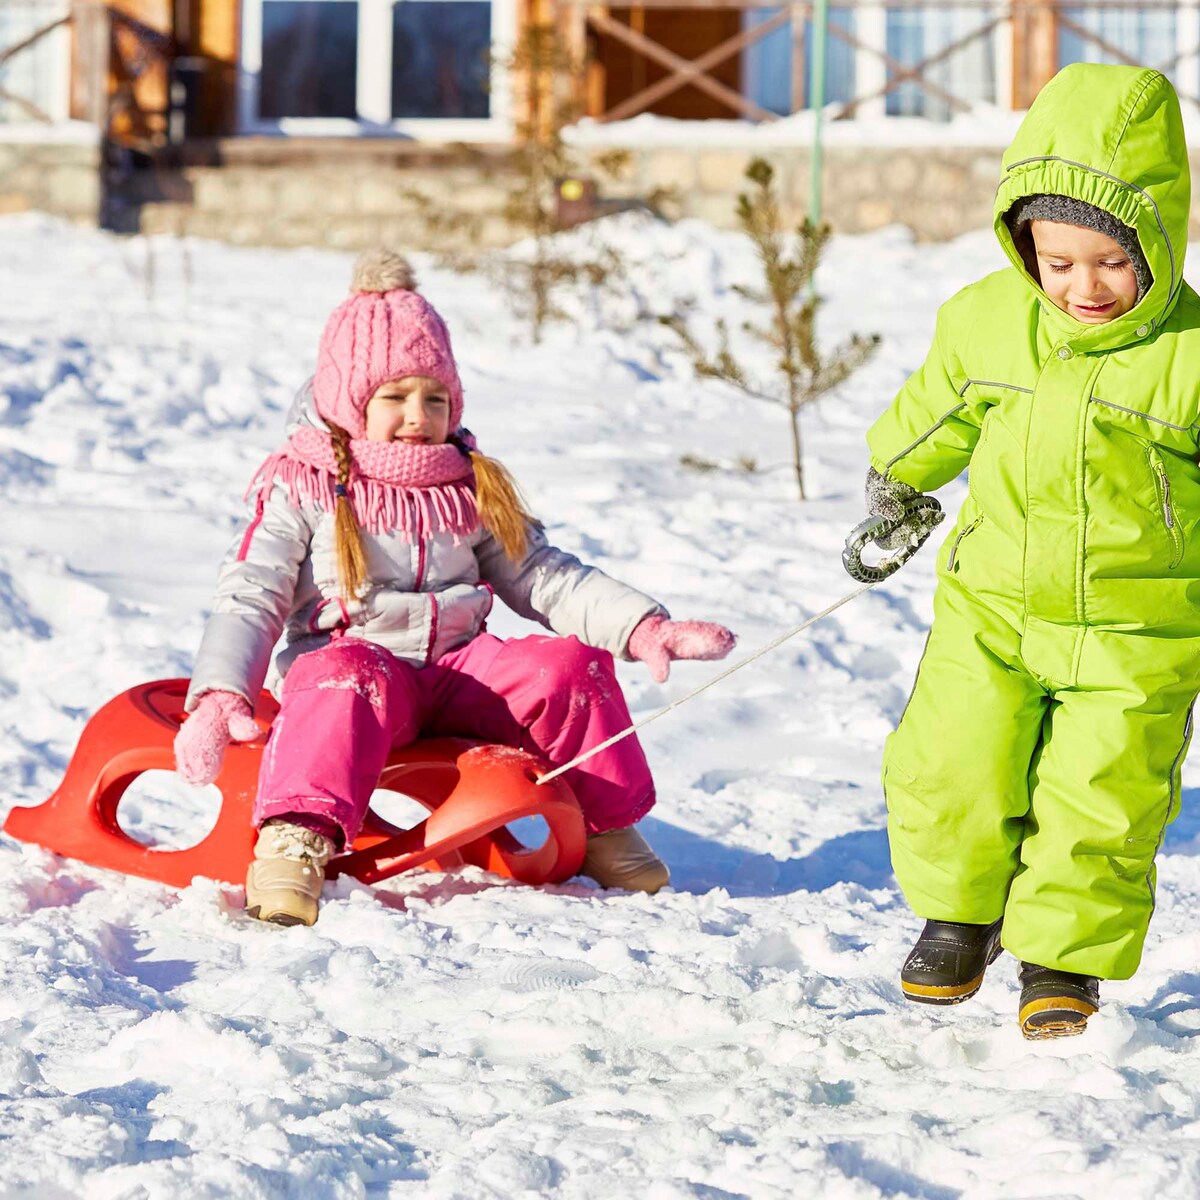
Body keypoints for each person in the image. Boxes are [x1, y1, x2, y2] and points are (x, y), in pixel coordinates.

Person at [175, 248, 735, 926]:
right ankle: (294, 840)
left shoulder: (466, 482)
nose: (418, 415)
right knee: (339, 675)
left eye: (435, 398)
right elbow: (252, 593)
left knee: (567, 668)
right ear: (350, 402)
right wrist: (220, 694)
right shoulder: (306, 484)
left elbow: (540, 572)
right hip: (360, 674)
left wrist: (641, 626)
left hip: (459, 670)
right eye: (394, 398)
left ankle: (604, 825)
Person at [860, 63, 1199, 1039]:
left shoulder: (1190, 353)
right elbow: (935, 414)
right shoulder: (988, 322)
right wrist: (898, 483)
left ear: (1159, 241)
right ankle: (957, 916)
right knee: (950, 760)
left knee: (1101, 797)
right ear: (1024, 246)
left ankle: (1061, 957)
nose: (1083, 286)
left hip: (1137, 629)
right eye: (1058, 262)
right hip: (994, 606)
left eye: (1112, 262)